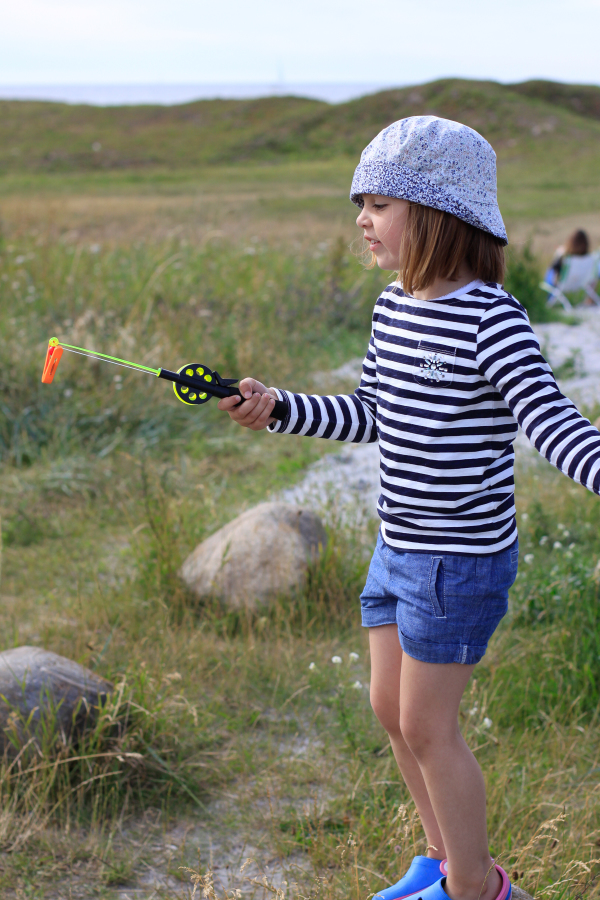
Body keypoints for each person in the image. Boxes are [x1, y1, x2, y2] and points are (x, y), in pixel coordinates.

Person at [218, 116, 600, 900]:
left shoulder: (494, 320)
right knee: (390, 712)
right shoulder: (393, 307)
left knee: (430, 725)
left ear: (439, 212)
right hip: (397, 549)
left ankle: (475, 887)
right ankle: (437, 860)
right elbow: (369, 413)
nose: (361, 217)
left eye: (379, 202)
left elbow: (550, 420)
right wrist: (278, 407)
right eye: (359, 201)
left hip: (457, 562)